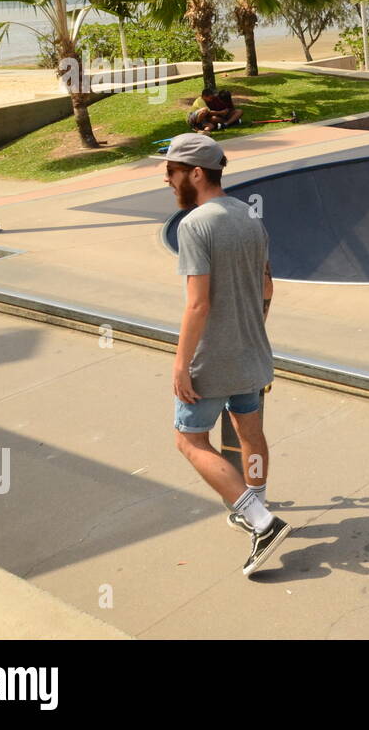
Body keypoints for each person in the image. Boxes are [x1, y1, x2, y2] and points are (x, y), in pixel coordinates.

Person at [155, 132, 290, 577]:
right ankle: (257, 502)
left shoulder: (196, 224)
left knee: (189, 440)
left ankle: (261, 521)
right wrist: (253, 333)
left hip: (212, 361)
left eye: (172, 173)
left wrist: (180, 365)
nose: (168, 181)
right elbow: (267, 287)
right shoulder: (251, 219)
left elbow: (198, 303)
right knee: (249, 432)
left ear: (195, 173)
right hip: (253, 354)